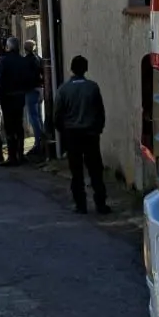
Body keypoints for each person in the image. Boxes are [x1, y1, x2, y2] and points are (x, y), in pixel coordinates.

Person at [52, 55, 111, 215]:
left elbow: (57, 115)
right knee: (95, 170)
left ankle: (81, 204)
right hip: (91, 134)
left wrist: (64, 132)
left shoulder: (64, 89)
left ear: (71, 69)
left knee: (76, 171)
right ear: (85, 69)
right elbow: (100, 111)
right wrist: (98, 129)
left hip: (72, 135)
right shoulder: (92, 87)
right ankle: (101, 203)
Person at [0, 36, 35, 167]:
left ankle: (12, 156)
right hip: (20, 97)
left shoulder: (4, 61)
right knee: (19, 125)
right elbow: (29, 79)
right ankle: (20, 154)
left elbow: (0, 81)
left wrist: (0, 94)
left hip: (8, 97)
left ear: (9, 47)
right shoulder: (23, 61)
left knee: (10, 127)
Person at [22, 40, 52, 161]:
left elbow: (26, 77)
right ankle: (41, 140)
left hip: (31, 90)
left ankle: (39, 142)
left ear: (25, 48)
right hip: (40, 89)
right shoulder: (39, 59)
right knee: (39, 116)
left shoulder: (26, 61)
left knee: (34, 117)